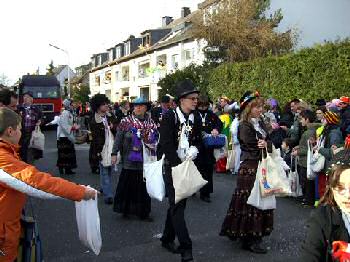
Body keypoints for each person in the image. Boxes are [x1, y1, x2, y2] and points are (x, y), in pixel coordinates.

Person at [0, 107, 96, 262]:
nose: (21, 132)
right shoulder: (2, 158)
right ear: (10, 131)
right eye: (19, 128)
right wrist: (80, 192)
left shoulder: (7, 152)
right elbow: (36, 182)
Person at [220, 90, 273, 254]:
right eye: (256, 107)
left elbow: (268, 142)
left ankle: (251, 235)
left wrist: (267, 145)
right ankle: (249, 238)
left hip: (261, 165)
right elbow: (251, 146)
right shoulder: (245, 125)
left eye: (260, 107)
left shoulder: (260, 124)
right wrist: (265, 145)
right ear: (248, 108)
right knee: (251, 202)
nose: (260, 110)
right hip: (250, 167)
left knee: (260, 200)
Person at [157, 79, 201, 262]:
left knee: (177, 205)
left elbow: (198, 139)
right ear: (182, 100)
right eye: (192, 98)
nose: (195, 101)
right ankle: (186, 247)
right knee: (177, 206)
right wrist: (178, 165)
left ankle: (167, 238)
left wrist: (194, 150)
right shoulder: (169, 117)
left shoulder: (195, 117)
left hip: (187, 165)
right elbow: (166, 145)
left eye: (197, 98)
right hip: (172, 166)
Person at [301, 141, 350, 262]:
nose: (347, 195)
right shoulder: (322, 219)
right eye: (340, 188)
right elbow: (310, 254)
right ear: (331, 188)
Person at [111, 97, 158, 221]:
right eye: (136, 105)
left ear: (146, 108)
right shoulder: (125, 122)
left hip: (145, 161)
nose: (138, 108)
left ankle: (144, 213)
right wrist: (114, 153)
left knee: (143, 189)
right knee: (127, 187)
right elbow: (118, 139)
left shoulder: (151, 123)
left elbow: (156, 139)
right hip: (129, 160)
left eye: (141, 106)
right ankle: (125, 210)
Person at [89, 94, 117, 204]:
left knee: (106, 169)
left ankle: (103, 187)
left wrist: (113, 126)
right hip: (101, 148)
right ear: (97, 106)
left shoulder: (110, 116)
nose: (106, 106)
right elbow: (96, 138)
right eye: (103, 104)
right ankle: (108, 195)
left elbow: (117, 128)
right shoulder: (94, 120)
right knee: (105, 169)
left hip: (111, 146)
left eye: (106, 103)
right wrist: (98, 152)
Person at [194, 94, 223, 202]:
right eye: (201, 105)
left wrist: (216, 129)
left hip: (208, 147)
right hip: (196, 146)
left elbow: (219, 124)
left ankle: (205, 193)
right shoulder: (194, 113)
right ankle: (192, 188)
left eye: (205, 105)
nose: (203, 108)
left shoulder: (211, 114)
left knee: (208, 170)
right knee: (195, 169)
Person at [291, 109, 318, 207]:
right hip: (307, 161)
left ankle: (308, 200)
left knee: (307, 182)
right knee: (307, 181)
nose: (300, 121)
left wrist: (297, 152)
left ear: (307, 120)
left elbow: (307, 149)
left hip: (305, 161)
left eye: (302, 119)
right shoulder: (311, 131)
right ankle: (307, 199)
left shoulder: (308, 132)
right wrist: (299, 147)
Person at [17, 91, 42, 163]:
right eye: (24, 96)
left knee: (31, 151)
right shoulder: (19, 108)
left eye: (27, 97)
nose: (25, 98)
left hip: (32, 133)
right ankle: (23, 164)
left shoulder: (36, 109)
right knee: (22, 150)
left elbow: (41, 117)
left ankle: (30, 165)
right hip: (22, 133)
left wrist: (40, 121)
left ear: (32, 99)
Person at [57, 99, 79, 175]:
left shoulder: (69, 113)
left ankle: (68, 169)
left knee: (69, 154)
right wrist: (72, 128)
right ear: (68, 105)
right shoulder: (65, 113)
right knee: (64, 154)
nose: (73, 106)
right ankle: (63, 169)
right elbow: (64, 125)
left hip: (68, 136)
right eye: (72, 104)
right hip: (64, 136)